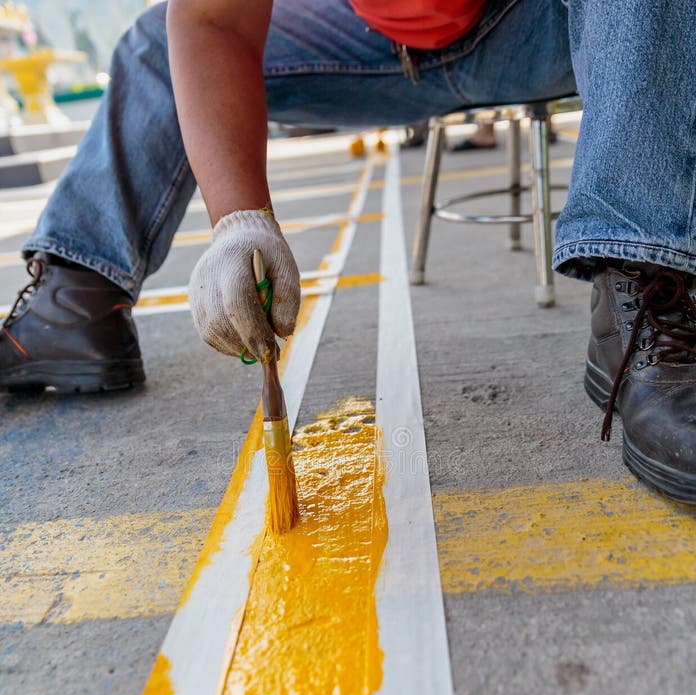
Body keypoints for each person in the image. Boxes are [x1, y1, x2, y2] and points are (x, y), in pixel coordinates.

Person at [1, 0, 696, 504]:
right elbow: (214, 19)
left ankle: (643, 278)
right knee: (159, 41)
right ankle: (75, 300)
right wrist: (239, 221)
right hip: (372, 41)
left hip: (543, 24)